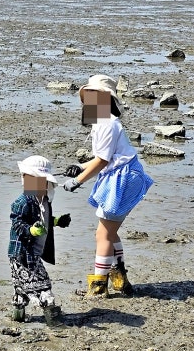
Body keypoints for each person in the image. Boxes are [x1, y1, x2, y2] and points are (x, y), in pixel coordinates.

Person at [62, 74, 154, 299]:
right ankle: (120, 281)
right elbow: (105, 158)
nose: (88, 102)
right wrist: (79, 166)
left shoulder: (106, 124)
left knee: (102, 234)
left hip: (122, 179)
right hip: (125, 175)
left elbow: (103, 161)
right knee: (109, 232)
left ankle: (98, 287)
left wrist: (78, 181)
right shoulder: (105, 122)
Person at [8, 155, 71, 326]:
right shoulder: (22, 202)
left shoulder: (44, 202)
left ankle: (18, 316)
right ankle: (54, 321)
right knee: (44, 285)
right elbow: (17, 223)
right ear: (26, 180)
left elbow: (45, 221)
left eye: (43, 182)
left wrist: (57, 221)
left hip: (34, 252)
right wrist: (30, 230)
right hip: (22, 253)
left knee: (21, 288)